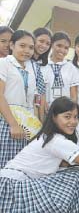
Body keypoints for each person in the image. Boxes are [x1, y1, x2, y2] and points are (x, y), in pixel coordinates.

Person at [0, 30, 36, 168]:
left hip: (24, 125)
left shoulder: (29, 70)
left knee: (16, 166)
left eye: (31, 47)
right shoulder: (3, 63)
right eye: (22, 45)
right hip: (6, 122)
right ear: (12, 45)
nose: (27, 50)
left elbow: (32, 101)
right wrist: (13, 124)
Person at [42, 31, 79, 105]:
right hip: (45, 107)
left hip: (64, 110)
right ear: (52, 45)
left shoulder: (71, 68)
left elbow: (73, 95)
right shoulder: (43, 65)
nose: (62, 50)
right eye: (59, 46)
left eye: (66, 48)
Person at [27, 27, 52, 122]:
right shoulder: (24, 62)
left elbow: (41, 94)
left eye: (48, 44)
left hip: (36, 108)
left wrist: (41, 121)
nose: (44, 45)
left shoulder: (45, 65)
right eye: (41, 41)